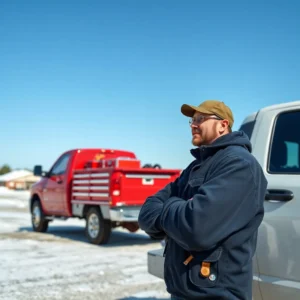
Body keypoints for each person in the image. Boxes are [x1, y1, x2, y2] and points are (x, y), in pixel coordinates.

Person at [138, 100, 268, 300]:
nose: (193, 125)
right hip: (184, 290)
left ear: (223, 125)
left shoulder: (239, 165)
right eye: (192, 120)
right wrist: (179, 210)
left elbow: (196, 227)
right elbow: (147, 211)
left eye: (201, 119)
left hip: (217, 293)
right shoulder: (196, 166)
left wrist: (170, 206)